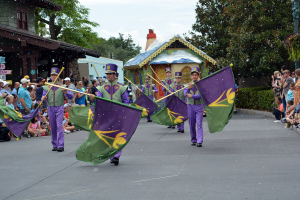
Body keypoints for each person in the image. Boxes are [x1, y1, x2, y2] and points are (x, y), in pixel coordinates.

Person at [92, 63, 129, 166]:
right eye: (107, 74)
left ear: (115, 74)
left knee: (118, 136)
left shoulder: (122, 87)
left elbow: (126, 102)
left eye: (110, 73)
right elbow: (98, 102)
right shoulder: (101, 88)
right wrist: (94, 98)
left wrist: (123, 112)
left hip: (119, 115)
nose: (108, 75)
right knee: (108, 136)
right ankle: (111, 155)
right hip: (107, 116)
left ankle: (116, 156)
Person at [41, 67, 73, 152]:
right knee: (53, 126)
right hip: (50, 108)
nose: (53, 77)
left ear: (58, 76)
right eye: (52, 75)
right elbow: (43, 96)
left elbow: (71, 96)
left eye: (55, 75)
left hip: (59, 107)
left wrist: (66, 92)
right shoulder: (47, 86)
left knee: (59, 126)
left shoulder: (63, 86)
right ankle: (54, 144)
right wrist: (43, 98)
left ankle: (60, 145)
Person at [184, 67, 204, 147]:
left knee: (199, 123)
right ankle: (193, 139)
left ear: (198, 75)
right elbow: (185, 95)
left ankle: (200, 141)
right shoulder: (187, 85)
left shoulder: (201, 85)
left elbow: (200, 96)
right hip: (190, 106)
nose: (194, 76)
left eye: (196, 75)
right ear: (191, 76)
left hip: (199, 106)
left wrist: (192, 96)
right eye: (193, 75)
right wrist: (188, 89)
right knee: (191, 124)